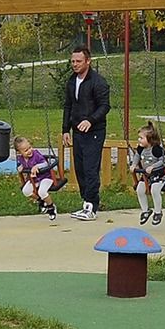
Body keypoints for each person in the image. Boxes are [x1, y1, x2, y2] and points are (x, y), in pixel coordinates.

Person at [61, 45, 109, 220]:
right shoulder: (72, 81)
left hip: (94, 131)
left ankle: (92, 205)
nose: (75, 64)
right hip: (77, 131)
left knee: (90, 168)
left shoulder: (98, 82)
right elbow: (68, 105)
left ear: (88, 61)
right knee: (80, 168)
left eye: (78, 61)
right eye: (73, 61)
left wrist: (91, 120)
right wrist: (65, 129)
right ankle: (85, 203)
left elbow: (105, 106)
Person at [129, 124, 165, 226]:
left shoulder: (156, 149)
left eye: (141, 138)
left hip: (159, 176)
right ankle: (145, 211)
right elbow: (137, 156)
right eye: (139, 137)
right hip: (146, 176)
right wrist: (134, 164)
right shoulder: (140, 148)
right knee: (139, 190)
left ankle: (158, 212)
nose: (139, 140)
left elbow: (163, 160)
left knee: (154, 190)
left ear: (150, 139)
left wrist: (153, 167)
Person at [13, 135, 57, 221]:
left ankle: (51, 207)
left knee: (42, 191)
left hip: (46, 178)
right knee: (25, 191)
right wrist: (21, 167)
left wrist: (37, 166)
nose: (29, 151)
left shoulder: (36, 154)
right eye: (26, 150)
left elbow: (45, 163)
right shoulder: (20, 158)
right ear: (19, 152)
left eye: (30, 148)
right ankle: (41, 201)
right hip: (34, 180)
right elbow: (22, 166)